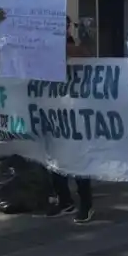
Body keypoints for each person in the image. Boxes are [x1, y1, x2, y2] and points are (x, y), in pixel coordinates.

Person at [47, 17, 94, 222]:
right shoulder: (43, 48)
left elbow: (85, 55)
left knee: (77, 160)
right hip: (53, 111)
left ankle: (86, 204)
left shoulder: (76, 49)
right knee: (54, 161)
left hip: (75, 114)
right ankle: (64, 200)